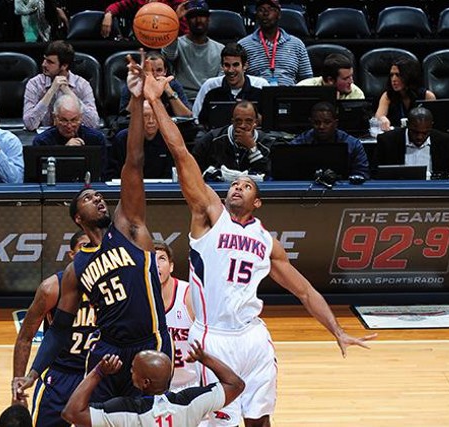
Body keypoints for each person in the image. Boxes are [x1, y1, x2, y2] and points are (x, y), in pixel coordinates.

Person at [143, 70, 377, 427]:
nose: (237, 187)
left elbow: (304, 290)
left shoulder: (266, 241)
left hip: (252, 336)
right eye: (234, 184)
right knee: (217, 423)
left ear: (258, 202)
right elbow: (180, 154)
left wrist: (337, 330)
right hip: (211, 337)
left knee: (259, 420)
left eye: (246, 185)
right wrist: (157, 101)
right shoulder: (210, 216)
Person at [13, 53, 172, 404]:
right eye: (89, 198)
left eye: (100, 195)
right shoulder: (75, 270)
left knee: (145, 419)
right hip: (106, 353)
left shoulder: (129, 228)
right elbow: (57, 333)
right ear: (77, 218)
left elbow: (134, 160)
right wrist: (33, 374)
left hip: (150, 343)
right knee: (87, 416)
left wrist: (135, 99)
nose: (98, 198)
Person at [12, 230, 96, 426]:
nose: (90, 253)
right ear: (72, 255)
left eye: (94, 248)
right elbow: (25, 337)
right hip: (60, 375)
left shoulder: (113, 286)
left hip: (97, 374)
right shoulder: (52, 288)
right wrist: (17, 388)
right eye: (84, 248)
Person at [62, 342, 244, 427]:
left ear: (144, 382)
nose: (130, 371)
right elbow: (236, 385)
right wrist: (205, 358)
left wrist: (98, 372)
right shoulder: (191, 401)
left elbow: (71, 413)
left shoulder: (127, 411)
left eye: (133, 369)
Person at [23, 41, 100, 131]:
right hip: (46, 138)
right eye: (44, 59)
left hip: (73, 134)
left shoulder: (82, 85)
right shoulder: (34, 84)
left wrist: (68, 92)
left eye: (50, 62)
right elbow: (29, 124)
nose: (44, 64)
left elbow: (93, 124)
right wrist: (51, 91)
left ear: (64, 65)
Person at [153, 240, 199, 392]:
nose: (157, 264)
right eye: (152, 258)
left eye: (162, 258)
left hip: (192, 384)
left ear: (171, 266)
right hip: (158, 388)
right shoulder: (139, 299)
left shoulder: (188, 295)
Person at [193, 43, 268, 131]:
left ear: (245, 66)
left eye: (235, 65)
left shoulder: (261, 86)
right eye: (227, 65)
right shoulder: (210, 86)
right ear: (222, 66)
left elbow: (268, 123)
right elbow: (199, 121)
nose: (231, 70)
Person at [193, 100, 273, 181]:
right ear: (232, 122)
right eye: (238, 121)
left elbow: (266, 176)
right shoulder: (213, 139)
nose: (243, 125)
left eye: (248, 121)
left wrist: (252, 148)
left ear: (255, 122)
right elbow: (194, 168)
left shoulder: (265, 142)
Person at [238, 0, 312, 86]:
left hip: (289, 95)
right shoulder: (243, 45)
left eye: (270, 9)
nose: (265, 13)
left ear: (279, 14)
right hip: (256, 96)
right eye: (261, 10)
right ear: (256, 15)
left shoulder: (297, 44)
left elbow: (307, 79)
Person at [162, 1, 224, 99]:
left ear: (209, 20)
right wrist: (175, 20)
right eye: (193, 16)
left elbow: (220, 82)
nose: (198, 20)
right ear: (186, 20)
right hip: (183, 98)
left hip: (209, 99)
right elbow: (169, 55)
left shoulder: (220, 49)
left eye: (202, 16)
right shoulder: (177, 44)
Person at [373, 106, 449, 179]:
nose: (419, 137)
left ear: (431, 126)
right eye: (415, 132)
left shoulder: (446, 142)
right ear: (407, 124)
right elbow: (375, 174)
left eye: (425, 133)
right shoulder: (387, 141)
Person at [291, 102, 370, 178]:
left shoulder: (353, 145)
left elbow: (362, 174)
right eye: (317, 122)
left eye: (327, 122)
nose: (321, 127)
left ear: (335, 123)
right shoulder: (299, 143)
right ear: (311, 123)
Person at [106, 100, 174, 180]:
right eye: (146, 116)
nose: (151, 121)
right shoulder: (122, 139)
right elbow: (111, 175)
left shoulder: (168, 139)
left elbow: (171, 175)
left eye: (155, 116)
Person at [119, 51, 192, 119]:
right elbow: (126, 116)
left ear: (165, 71)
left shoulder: (173, 85)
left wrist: (170, 92)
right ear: (143, 70)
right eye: (150, 70)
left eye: (159, 70)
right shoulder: (134, 84)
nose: (154, 74)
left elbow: (187, 116)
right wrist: (136, 96)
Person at [375, 57, 436, 131]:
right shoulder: (387, 95)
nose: (393, 79)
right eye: (391, 75)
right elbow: (379, 116)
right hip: (396, 136)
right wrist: (382, 119)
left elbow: (433, 124)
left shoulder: (427, 96)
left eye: (398, 75)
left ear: (409, 76)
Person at [102, 0, 188, 38]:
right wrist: (108, 14)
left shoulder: (177, 2)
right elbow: (118, 6)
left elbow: (184, 33)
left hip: (166, 43)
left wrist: (176, 18)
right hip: (143, 41)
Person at [297, 53, 365, 100]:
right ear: (330, 80)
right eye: (346, 78)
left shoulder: (357, 93)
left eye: (351, 76)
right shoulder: (302, 89)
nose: (351, 81)